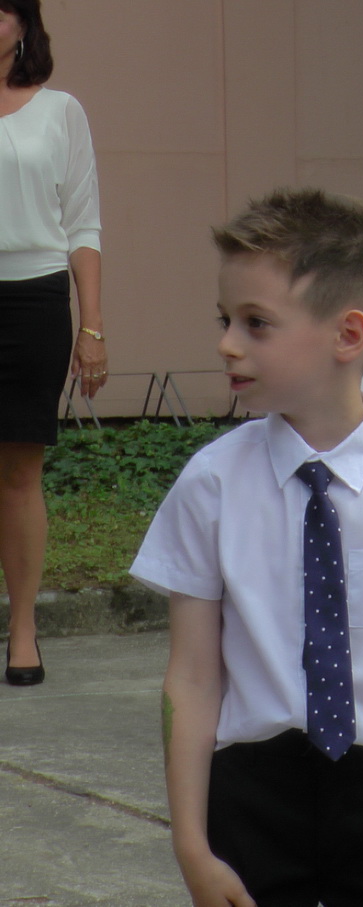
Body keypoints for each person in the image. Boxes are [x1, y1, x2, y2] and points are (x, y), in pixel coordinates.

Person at [132, 188, 363, 906]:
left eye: (256, 322)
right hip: (250, 799)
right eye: (224, 319)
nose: (227, 343)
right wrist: (192, 846)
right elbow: (193, 677)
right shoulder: (212, 483)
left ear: (348, 335)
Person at [0, 0, 103, 687]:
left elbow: (83, 224)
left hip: (34, 303)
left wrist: (91, 326)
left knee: (19, 472)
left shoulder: (61, 111)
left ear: (23, 25)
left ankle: (23, 629)